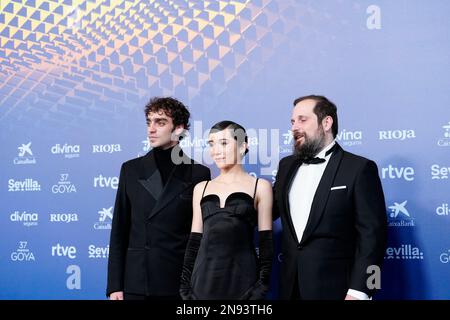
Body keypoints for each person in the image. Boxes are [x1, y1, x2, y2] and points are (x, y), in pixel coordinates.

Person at [273, 95, 388, 300]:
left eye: (302, 119)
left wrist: (362, 291)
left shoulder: (359, 168)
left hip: (339, 291)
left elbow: (374, 238)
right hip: (290, 289)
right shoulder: (286, 166)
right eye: (292, 121)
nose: (294, 127)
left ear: (326, 122)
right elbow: (268, 210)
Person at [107, 97, 211, 300]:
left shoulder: (198, 173)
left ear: (179, 128)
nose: (151, 129)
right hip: (136, 282)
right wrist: (114, 285)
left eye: (160, 122)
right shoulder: (131, 170)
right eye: (149, 122)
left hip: (177, 283)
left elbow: (199, 237)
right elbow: (119, 230)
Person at [179, 121, 274, 300]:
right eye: (211, 144)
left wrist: (261, 286)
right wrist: (185, 287)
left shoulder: (260, 187)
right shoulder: (202, 188)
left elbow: (266, 244)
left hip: (243, 282)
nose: (215, 150)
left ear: (242, 147)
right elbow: (194, 242)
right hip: (202, 283)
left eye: (223, 143)